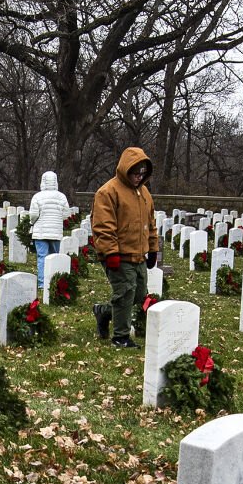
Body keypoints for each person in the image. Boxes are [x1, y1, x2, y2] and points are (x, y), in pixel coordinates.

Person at [90, 147, 159, 349]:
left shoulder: (144, 193)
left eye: (142, 174)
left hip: (138, 254)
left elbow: (151, 223)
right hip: (118, 254)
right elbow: (103, 226)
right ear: (125, 169)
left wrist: (153, 248)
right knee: (125, 293)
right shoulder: (108, 192)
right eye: (135, 173)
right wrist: (111, 253)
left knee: (139, 295)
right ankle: (120, 337)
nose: (139, 177)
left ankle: (103, 311)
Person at [27, 170, 70, 296]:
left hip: (41, 231)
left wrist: (32, 222)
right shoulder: (62, 197)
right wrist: (57, 219)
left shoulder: (37, 196)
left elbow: (33, 214)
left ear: (43, 181)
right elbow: (66, 214)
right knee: (54, 256)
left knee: (42, 257)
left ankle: (42, 283)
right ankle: (53, 281)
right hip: (55, 231)